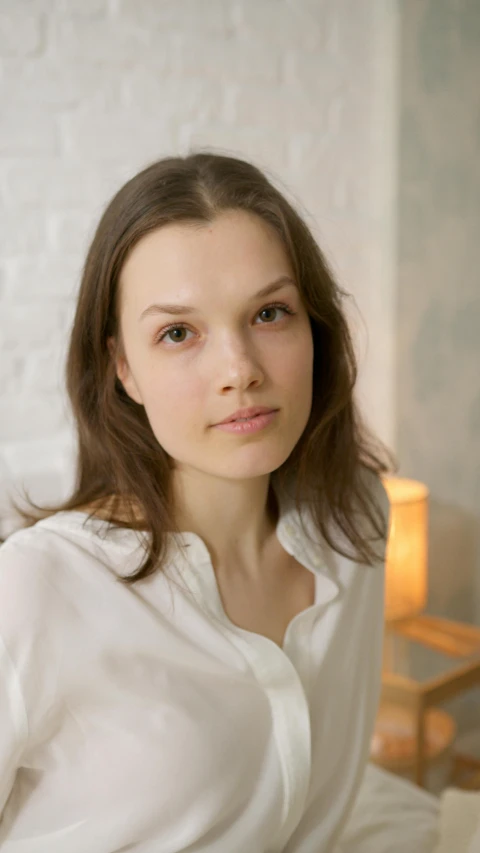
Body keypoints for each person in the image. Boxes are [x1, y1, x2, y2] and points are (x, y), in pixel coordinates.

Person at [0, 152, 394, 852]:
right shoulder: (38, 587)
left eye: (269, 312)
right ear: (124, 366)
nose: (240, 369)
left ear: (315, 327)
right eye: (178, 333)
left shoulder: (356, 519)